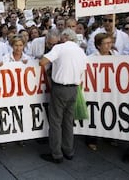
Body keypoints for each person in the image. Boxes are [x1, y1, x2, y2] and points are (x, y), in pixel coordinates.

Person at [39, 30, 87, 164]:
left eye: (61, 36)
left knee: (55, 122)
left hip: (60, 88)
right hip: (74, 89)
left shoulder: (59, 48)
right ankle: (68, 151)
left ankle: (56, 154)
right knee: (68, 121)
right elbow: (83, 71)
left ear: (65, 37)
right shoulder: (80, 51)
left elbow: (42, 62)